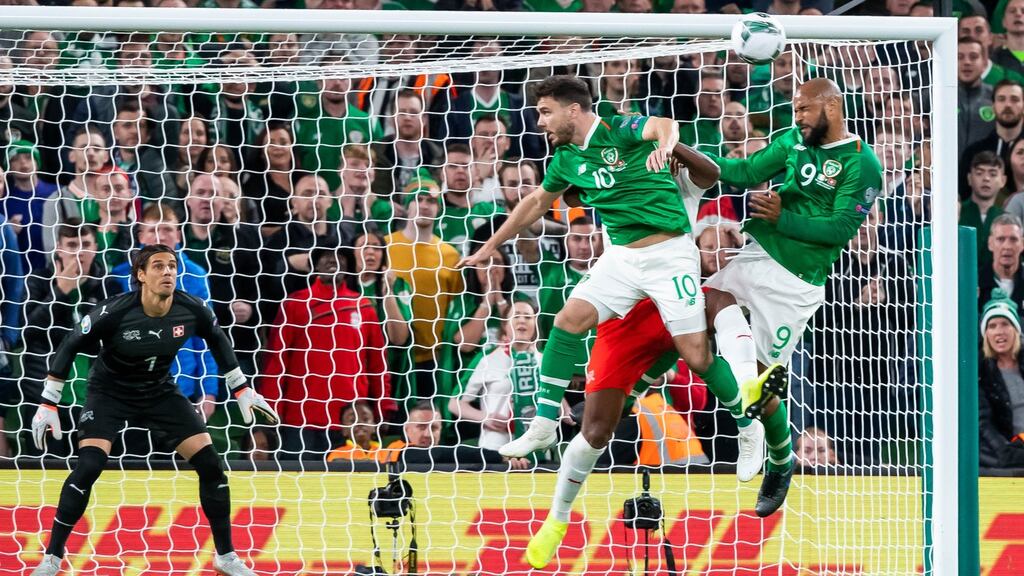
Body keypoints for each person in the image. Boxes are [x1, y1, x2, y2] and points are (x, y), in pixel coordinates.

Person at [459, 76, 747, 566]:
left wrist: (668, 143)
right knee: (570, 326)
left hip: (669, 262)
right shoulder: (570, 161)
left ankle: (753, 421)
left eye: (547, 111)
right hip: (623, 273)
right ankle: (548, 431)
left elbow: (666, 129)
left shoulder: (627, 131)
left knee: (701, 350)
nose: (540, 121)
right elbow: (534, 203)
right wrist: (489, 246)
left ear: (574, 110)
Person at [28, 244, 278, 576]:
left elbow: (218, 339)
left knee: (211, 465)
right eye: (158, 266)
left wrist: (242, 387)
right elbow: (71, 342)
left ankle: (226, 557)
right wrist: (48, 401)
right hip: (110, 392)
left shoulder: (191, 309)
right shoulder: (114, 310)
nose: (168, 272)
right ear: (141, 275)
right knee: (89, 466)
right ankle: (53, 558)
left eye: (172, 266)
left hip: (159, 390)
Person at [259, 238, 393, 460]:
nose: (333, 261)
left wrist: (382, 408)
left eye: (340, 257)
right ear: (314, 266)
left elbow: (378, 363)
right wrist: (271, 411)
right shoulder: (295, 304)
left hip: (350, 421)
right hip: (299, 418)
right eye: (325, 257)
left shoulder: (364, 307)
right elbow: (276, 362)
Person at [19, 221, 108, 458]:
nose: (79, 252)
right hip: (44, 400)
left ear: (96, 247)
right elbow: (25, 332)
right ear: (58, 248)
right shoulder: (38, 281)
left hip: (93, 402)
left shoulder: (106, 288)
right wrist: (60, 292)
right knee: (43, 478)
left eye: (85, 244)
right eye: (71, 245)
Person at [385, 179, 464, 401]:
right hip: (392, 355)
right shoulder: (385, 245)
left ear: (438, 208)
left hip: (433, 358)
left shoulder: (450, 255)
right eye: (418, 199)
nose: (424, 205)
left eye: (431, 201)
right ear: (407, 205)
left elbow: (454, 306)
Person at [449, 299, 542, 451]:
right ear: (505, 325)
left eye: (528, 316)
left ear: (535, 324)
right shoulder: (488, 359)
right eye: (516, 316)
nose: (522, 320)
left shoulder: (543, 361)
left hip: (535, 448)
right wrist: (485, 417)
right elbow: (454, 404)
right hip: (495, 446)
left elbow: (557, 403)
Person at [979, 289, 1024, 469]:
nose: (999, 332)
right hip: (1005, 454)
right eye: (992, 326)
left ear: (1016, 329)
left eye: (1005, 324)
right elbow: (984, 424)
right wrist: (1008, 452)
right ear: (986, 334)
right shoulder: (981, 371)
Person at [980, 213, 1024, 313]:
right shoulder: (975, 283)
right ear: (990, 243)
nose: (1007, 246)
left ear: (1022, 244)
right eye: (1001, 239)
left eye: (1013, 239)